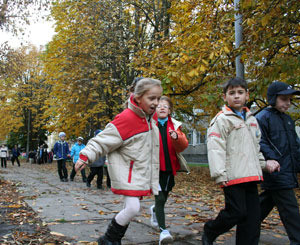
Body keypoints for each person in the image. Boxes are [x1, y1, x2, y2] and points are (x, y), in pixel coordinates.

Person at [75, 78, 162, 245]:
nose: (156, 103)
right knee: (132, 208)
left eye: (158, 98)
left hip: (140, 171)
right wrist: (85, 156)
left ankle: (112, 239)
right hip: (127, 172)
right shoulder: (127, 118)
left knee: (130, 208)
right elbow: (102, 140)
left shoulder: (151, 118)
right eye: (152, 98)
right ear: (137, 98)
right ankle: (108, 239)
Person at [202, 77, 280, 245]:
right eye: (232, 93)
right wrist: (219, 173)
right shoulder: (222, 120)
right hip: (232, 175)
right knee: (236, 212)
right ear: (224, 97)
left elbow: (255, 147)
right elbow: (215, 148)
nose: (236, 96)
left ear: (246, 95)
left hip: (251, 175)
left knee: (252, 219)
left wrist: (263, 165)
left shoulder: (252, 120)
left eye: (240, 92)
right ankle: (211, 229)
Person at [255, 81, 300, 245]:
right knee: (291, 210)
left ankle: (246, 226)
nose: (287, 103)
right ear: (273, 98)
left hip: (287, 170)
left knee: (263, 205)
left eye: (290, 100)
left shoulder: (287, 119)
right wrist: (272, 159)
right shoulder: (262, 118)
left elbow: (294, 144)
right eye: (283, 99)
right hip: (276, 171)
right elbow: (260, 142)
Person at [149, 96, 189, 244]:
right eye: (159, 105)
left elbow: (183, 145)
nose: (162, 108)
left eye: (165, 106)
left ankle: (154, 211)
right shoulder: (149, 124)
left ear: (170, 110)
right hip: (154, 168)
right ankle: (163, 231)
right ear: (154, 109)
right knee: (159, 198)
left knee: (164, 197)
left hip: (169, 168)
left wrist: (176, 137)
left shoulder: (175, 126)